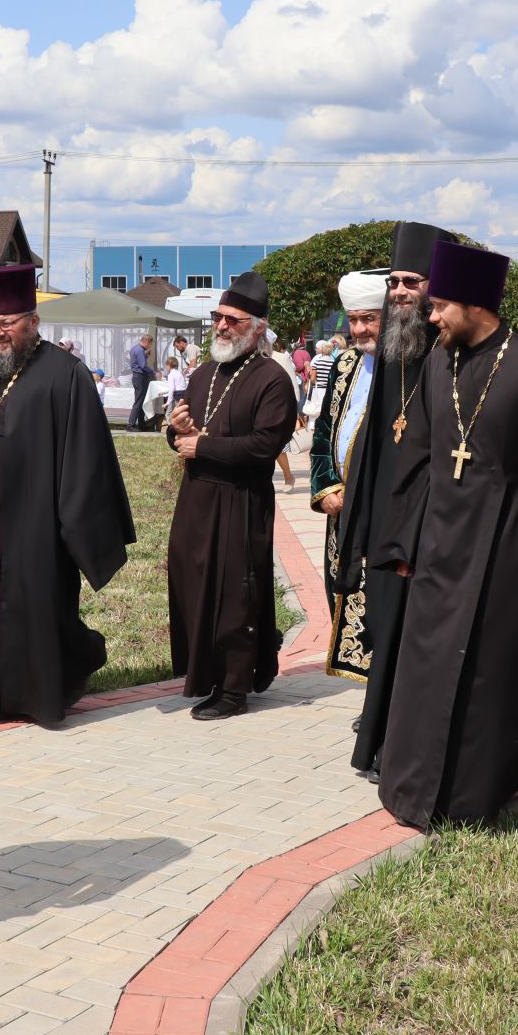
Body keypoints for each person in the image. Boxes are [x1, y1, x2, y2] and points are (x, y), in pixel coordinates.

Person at [371, 240, 518, 827]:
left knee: (490, 671)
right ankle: (415, 782)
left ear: (476, 303)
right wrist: (403, 543)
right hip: (439, 545)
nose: (430, 316)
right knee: (426, 665)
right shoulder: (436, 363)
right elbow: (420, 459)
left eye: (440, 305)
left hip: (506, 546)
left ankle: (475, 791)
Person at [0, 265, 136, 726]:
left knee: (32, 606)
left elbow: (86, 458)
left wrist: (75, 527)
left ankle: (34, 695)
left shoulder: (66, 375)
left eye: (8, 323)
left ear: (33, 321)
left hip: (34, 522)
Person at [335, 223, 451, 780]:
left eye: (411, 281)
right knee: (384, 628)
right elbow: (375, 439)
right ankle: (380, 732)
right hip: (385, 514)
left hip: (426, 519)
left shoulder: (448, 350)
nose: (401, 291)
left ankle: (397, 747)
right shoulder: (390, 347)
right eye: (395, 283)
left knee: (412, 633)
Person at [166, 273, 299, 719]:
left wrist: (200, 444)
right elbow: (180, 432)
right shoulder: (204, 373)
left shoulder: (272, 380)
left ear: (257, 327)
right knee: (194, 588)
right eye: (218, 318)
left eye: (232, 320)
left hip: (241, 502)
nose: (221, 327)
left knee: (234, 595)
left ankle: (235, 688)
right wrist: (177, 432)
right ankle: (206, 674)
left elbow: (263, 446)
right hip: (196, 502)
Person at [309, 268, 386, 680]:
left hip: (384, 513)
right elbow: (323, 432)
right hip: (343, 507)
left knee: (380, 603)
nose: (359, 329)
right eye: (353, 320)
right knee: (344, 594)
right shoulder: (345, 364)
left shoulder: (407, 364)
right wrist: (324, 488)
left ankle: (385, 697)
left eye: (368, 319)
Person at [267, 328, 303, 490]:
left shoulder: (281, 358)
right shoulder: (249, 359)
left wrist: (293, 409)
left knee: (278, 446)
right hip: (256, 408)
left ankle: (288, 477)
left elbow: (293, 384)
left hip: (278, 408)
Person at [126, 332, 156, 431]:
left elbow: (138, 362)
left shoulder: (136, 348)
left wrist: (145, 355)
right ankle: (131, 425)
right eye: (150, 344)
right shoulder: (139, 350)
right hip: (140, 377)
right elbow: (143, 366)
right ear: (146, 342)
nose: (150, 346)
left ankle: (141, 424)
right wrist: (153, 373)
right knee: (139, 401)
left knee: (141, 400)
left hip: (137, 376)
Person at [161, 354, 186, 430]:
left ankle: (172, 428)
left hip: (177, 395)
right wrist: (164, 392)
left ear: (168, 365)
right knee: (180, 412)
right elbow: (178, 387)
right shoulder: (179, 373)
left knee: (168, 413)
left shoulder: (171, 375)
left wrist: (167, 403)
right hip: (183, 393)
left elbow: (172, 389)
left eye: (166, 366)